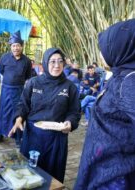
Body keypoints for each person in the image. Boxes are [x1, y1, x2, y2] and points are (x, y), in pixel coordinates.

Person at [74, 19, 135, 190]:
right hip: (103, 165)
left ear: (121, 47)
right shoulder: (120, 74)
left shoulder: (130, 82)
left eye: (105, 48)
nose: (101, 54)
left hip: (114, 175)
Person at [9, 48, 81, 182]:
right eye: (52, 61)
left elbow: (74, 111)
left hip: (57, 139)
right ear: (45, 63)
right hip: (33, 137)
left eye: (60, 61)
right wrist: (19, 119)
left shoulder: (69, 87)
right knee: (28, 175)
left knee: (52, 178)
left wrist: (70, 123)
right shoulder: (33, 82)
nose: (57, 65)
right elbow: (23, 105)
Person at [0, 30, 32, 145]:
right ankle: (0, 134)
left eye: (18, 45)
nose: (16, 48)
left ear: (22, 46)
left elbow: (27, 76)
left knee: (18, 112)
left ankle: (18, 137)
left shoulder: (27, 61)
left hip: (19, 90)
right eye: (14, 46)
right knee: (3, 112)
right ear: (11, 46)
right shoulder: (5, 58)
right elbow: (2, 71)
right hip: (6, 90)